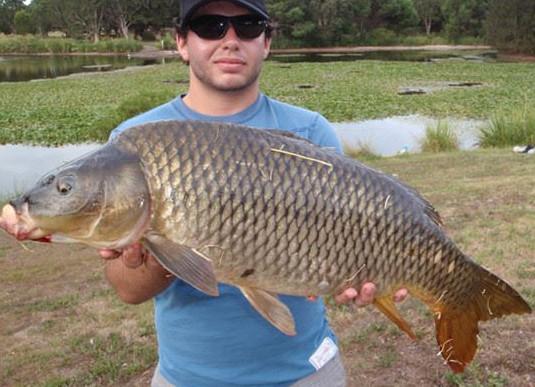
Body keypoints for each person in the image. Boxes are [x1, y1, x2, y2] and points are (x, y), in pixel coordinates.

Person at [100, 1, 408, 386]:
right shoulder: (136, 142)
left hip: (305, 373)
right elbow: (128, 290)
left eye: (247, 26)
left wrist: (364, 274)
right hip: (187, 378)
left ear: (266, 42)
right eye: (210, 26)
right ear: (181, 42)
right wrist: (164, 241)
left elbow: (347, 239)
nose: (230, 40)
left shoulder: (311, 132)